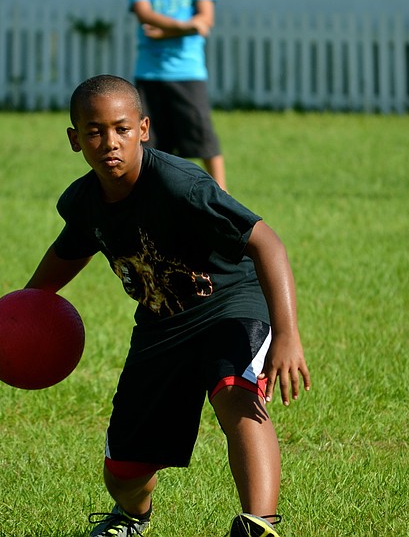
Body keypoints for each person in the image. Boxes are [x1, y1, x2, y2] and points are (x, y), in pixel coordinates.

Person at [24, 74, 311, 537]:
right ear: (75, 140)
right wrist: (26, 305)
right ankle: (133, 517)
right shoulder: (83, 202)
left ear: (143, 129)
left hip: (228, 302)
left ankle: (260, 524)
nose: (109, 142)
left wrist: (288, 335)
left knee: (234, 390)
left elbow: (267, 243)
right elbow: (70, 250)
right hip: (161, 326)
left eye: (120, 128)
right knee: (123, 470)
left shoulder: (180, 184)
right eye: (94, 131)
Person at [128, 0, 228, 190]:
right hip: (149, 73)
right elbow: (144, 15)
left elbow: (206, 18)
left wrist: (166, 32)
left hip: (188, 71)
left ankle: (223, 196)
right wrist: (187, 26)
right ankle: (145, 195)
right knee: (145, 143)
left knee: (203, 137)